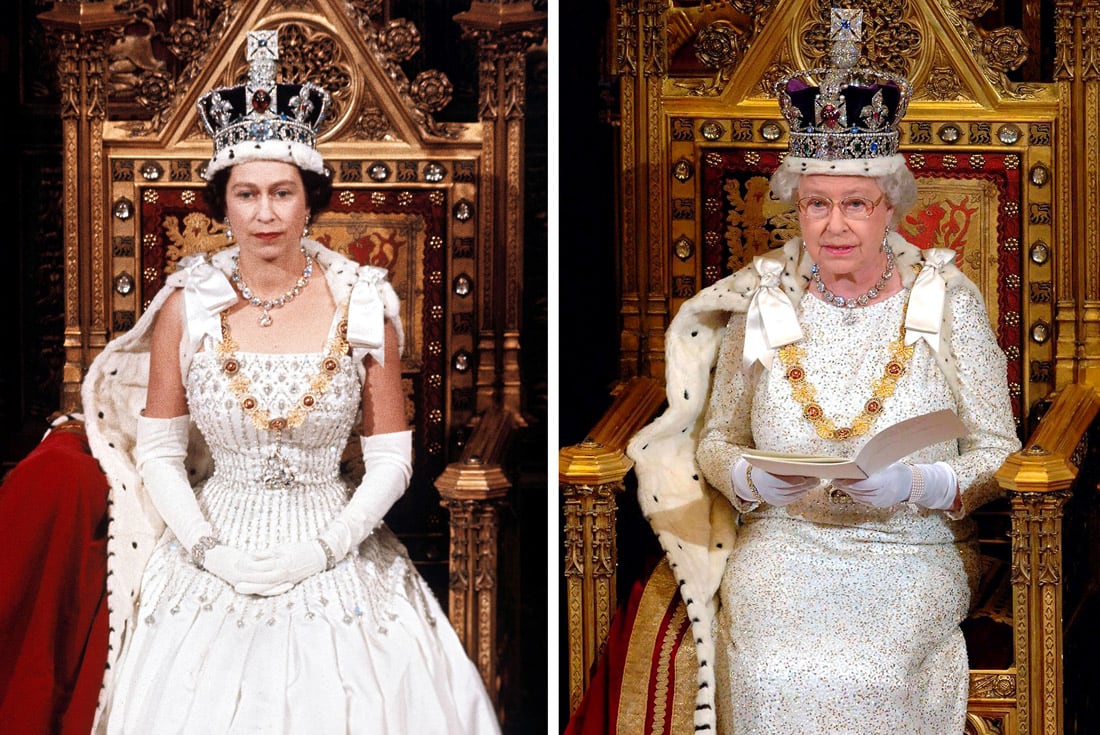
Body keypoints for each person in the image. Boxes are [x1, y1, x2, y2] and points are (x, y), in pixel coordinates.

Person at [81, 30, 499, 734]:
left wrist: (323, 550)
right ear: (223, 204)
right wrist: (208, 550)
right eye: (247, 194)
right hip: (213, 539)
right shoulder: (187, 306)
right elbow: (157, 452)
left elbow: (393, 459)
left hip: (331, 537)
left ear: (312, 200)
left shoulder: (364, 301)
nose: (266, 213)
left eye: (283, 192)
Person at [626, 9, 1021, 734]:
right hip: (784, 544)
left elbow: (1002, 451)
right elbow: (717, 438)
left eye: (855, 205)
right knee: (775, 668)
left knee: (864, 671)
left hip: (904, 549)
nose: (835, 225)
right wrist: (747, 476)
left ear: (890, 205)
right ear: (796, 206)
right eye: (817, 204)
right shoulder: (763, 301)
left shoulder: (946, 299)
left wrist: (915, 482)